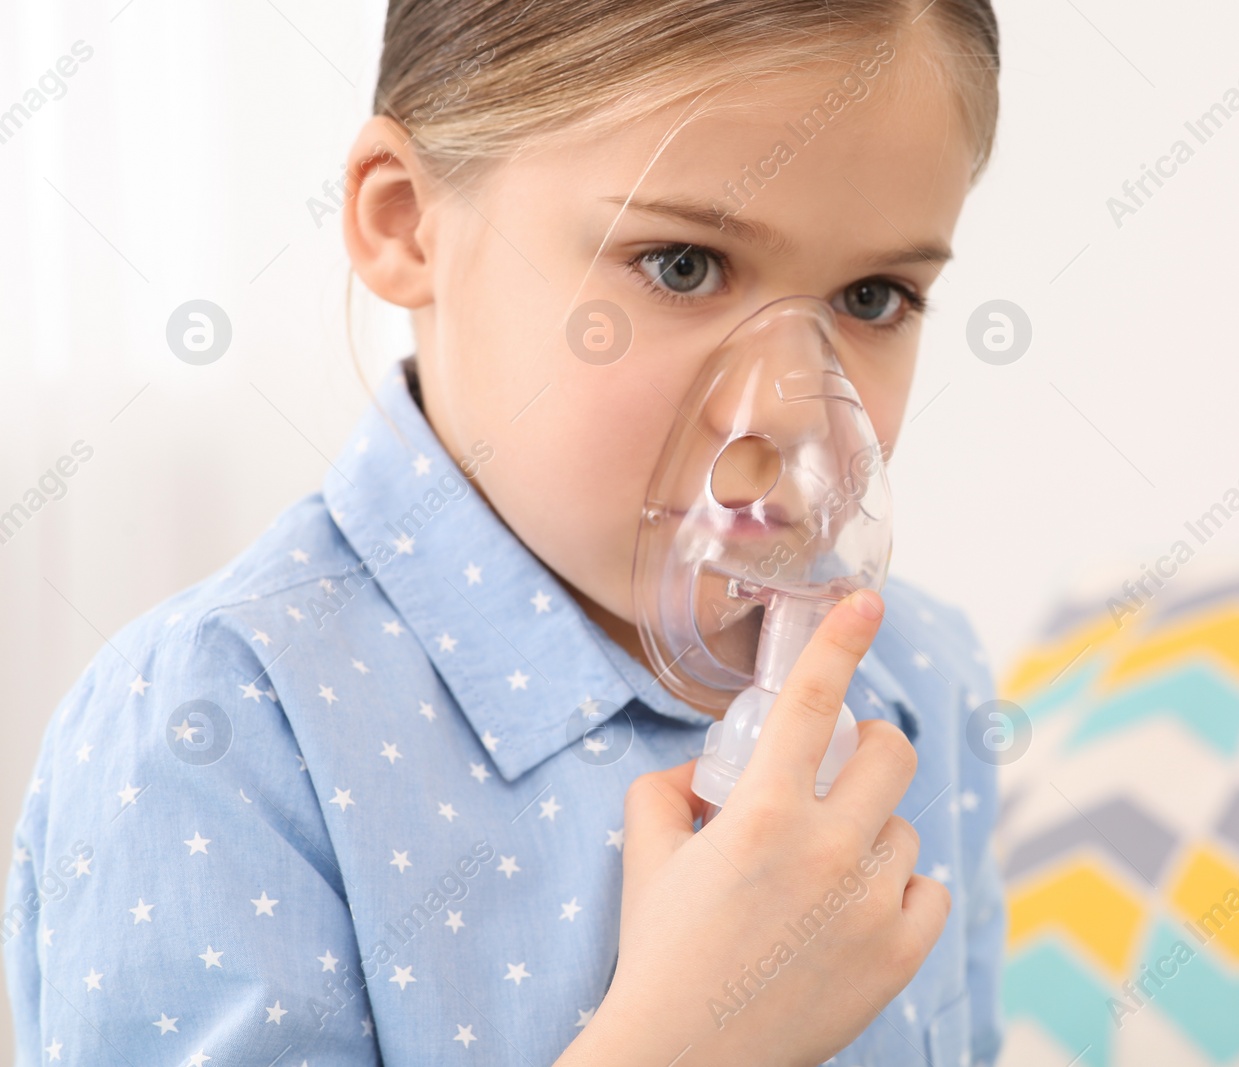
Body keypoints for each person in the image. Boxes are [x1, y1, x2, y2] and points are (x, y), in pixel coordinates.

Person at [4, 1, 1006, 1063]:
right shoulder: (224, 731)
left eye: (873, 295)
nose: (794, 409)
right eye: (682, 266)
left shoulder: (916, 683)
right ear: (403, 222)